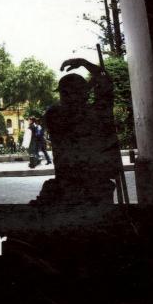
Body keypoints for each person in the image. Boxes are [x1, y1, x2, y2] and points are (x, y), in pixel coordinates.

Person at [33, 58, 119, 204]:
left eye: (64, 93)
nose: (62, 97)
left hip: (68, 186)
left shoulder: (54, 115)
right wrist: (84, 63)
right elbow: (106, 81)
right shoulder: (97, 113)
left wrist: (86, 87)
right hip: (96, 186)